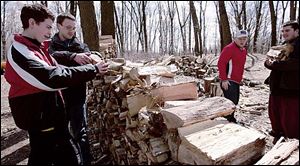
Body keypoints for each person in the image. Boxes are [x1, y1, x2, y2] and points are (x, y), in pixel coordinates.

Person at [4, 4, 108, 165]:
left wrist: (89, 63)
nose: (49, 32)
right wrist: (92, 69)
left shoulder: (35, 48)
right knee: (47, 156)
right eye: (47, 27)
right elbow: (52, 77)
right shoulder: (20, 51)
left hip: (50, 119)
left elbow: (59, 68)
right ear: (32, 23)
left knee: (53, 156)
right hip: (41, 120)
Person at [48, 13, 93, 165]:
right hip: (57, 98)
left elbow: (90, 62)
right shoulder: (49, 44)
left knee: (81, 132)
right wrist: (72, 56)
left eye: (74, 28)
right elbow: (50, 57)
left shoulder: (81, 45)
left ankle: (86, 161)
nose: (71, 31)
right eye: (68, 28)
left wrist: (94, 57)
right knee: (59, 133)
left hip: (77, 96)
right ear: (58, 25)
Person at [264, 20, 299, 143]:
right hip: (276, 87)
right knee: (275, 113)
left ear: (297, 31)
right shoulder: (283, 45)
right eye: (283, 31)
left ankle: (292, 142)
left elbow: (294, 64)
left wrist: (275, 64)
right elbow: (270, 61)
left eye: (287, 30)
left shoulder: (298, 45)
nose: (284, 33)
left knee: (290, 118)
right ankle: (278, 134)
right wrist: (269, 63)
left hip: (291, 89)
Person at [217, 29, 248, 123]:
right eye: (240, 39)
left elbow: (239, 66)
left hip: (236, 80)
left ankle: (230, 118)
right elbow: (221, 63)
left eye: (244, 39)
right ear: (235, 39)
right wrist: (224, 79)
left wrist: (240, 78)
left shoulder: (243, 50)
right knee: (230, 102)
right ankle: (228, 121)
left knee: (235, 101)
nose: (242, 41)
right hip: (229, 80)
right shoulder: (229, 48)